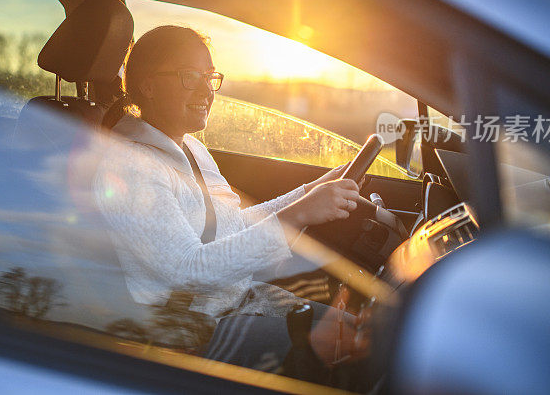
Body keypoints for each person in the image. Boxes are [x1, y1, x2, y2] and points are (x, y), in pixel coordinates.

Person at [93, 25, 359, 369]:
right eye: (190, 76)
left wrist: (308, 193)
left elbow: (230, 226)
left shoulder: (192, 148)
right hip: (194, 332)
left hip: (240, 299)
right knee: (350, 355)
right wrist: (295, 216)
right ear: (147, 85)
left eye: (210, 76)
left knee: (361, 333)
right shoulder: (131, 166)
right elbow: (186, 271)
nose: (207, 90)